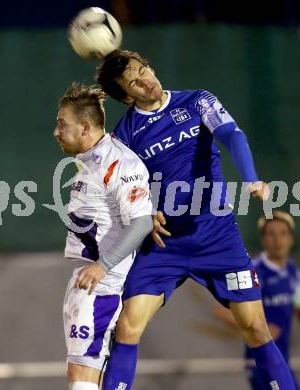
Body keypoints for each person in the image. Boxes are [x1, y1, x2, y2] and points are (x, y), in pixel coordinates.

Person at [95, 49, 296, 390]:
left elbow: (232, 135)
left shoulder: (197, 101)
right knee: (128, 326)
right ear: (128, 96)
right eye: (135, 82)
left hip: (217, 237)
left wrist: (250, 177)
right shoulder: (124, 136)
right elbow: (114, 188)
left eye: (145, 69)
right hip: (163, 246)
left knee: (257, 329)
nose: (147, 81)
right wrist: (140, 212)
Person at [53, 82, 153, 390]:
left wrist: (103, 265)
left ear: (84, 127)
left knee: (81, 382)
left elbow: (142, 223)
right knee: (85, 379)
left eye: (62, 124)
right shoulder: (90, 160)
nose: (56, 132)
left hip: (101, 287)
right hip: (87, 283)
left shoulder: (119, 162)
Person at [215, 211, 300, 389]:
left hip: (283, 361)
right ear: (263, 240)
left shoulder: (292, 271)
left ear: (291, 239)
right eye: (271, 234)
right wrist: (262, 327)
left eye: (283, 234)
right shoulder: (252, 271)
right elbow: (221, 311)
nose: (277, 240)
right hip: (259, 363)